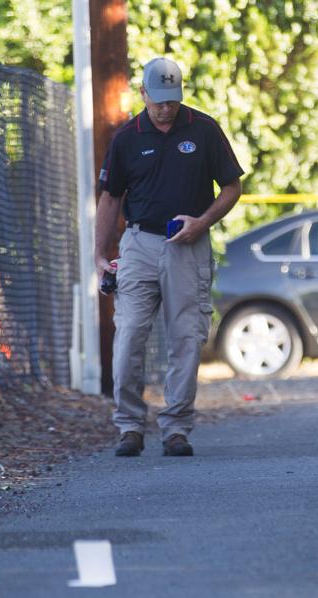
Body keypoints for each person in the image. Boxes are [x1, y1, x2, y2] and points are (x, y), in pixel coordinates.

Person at [95, 57, 244, 457]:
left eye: (172, 101)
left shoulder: (204, 130)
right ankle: (129, 426)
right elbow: (110, 198)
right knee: (128, 337)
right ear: (143, 93)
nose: (165, 108)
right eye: (158, 100)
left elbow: (232, 187)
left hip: (187, 244)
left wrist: (203, 222)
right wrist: (99, 254)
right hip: (139, 244)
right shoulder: (127, 137)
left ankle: (176, 427)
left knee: (186, 340)